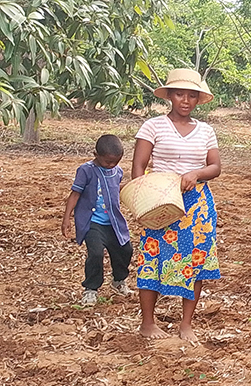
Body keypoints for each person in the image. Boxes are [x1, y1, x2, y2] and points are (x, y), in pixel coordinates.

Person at [132, 69, 221, 343]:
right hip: (161, 201)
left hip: (196, 206)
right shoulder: (153, 126)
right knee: (153, 258)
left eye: (191, 96)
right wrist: (143, 200)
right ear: (169, 96)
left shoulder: (206, 131)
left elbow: (215, 167)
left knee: (196, 262)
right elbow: (138, 166)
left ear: (198, 99)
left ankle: (186, 324)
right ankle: (148, 323)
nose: (185, 100)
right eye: (180, 94)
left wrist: (196, 173)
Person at [61, 134, 133, 307]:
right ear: (96, 154)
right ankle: (91, 289)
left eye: (116, 161)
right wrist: (67, 218)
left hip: (113, 221)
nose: (112, 165)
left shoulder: (117, 171)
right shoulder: (86, 171)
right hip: (92, 222)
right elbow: (75, 194)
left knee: (125, 249)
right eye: (108, 162)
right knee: (96, 253)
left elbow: (115, 190)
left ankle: (118, 280)